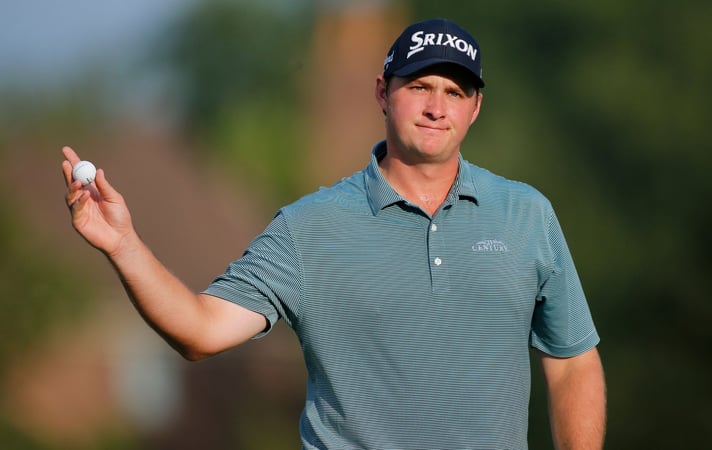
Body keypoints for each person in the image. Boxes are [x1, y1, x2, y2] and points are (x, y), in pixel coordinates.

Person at [62, 18, 605, 450]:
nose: (438, 107)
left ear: (476, 106)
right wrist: (124, 245)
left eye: (455, 91)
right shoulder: (307, 227)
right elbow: (200, 332)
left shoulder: (527, 213)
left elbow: (572, 360)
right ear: (382, 92)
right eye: (419, 86)